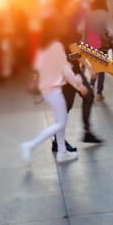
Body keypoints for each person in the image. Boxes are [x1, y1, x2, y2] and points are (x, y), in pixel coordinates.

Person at [19, 16, 87, 164]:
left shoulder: (42, 46)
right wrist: (80, 86)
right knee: (60, 123)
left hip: (46, 88)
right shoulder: (56, 45)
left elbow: (37, 66)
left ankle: (62, 152)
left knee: (59, 120)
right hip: (54, 89)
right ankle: (30, 145)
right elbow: (66, 71)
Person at [54, 0, 104, 148]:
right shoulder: (63, 21)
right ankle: (60, 140)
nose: (73, 4)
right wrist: (89, 66)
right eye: (71, 1)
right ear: (64, 3)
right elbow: (72, 49)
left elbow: (72, 48)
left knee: (74, 102)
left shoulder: (63, 20)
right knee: (72, 103)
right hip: (68, 69)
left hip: (68, 66)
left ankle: (77, 135)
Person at [84, 0, 113, 102]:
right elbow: (111, 31)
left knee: (93, 67)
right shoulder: (106, 15)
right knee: (101, 69)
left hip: (90, 43)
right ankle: (99, 93)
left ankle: (91, 85)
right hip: (102, 44)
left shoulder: (88, 15)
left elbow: (82, 29)